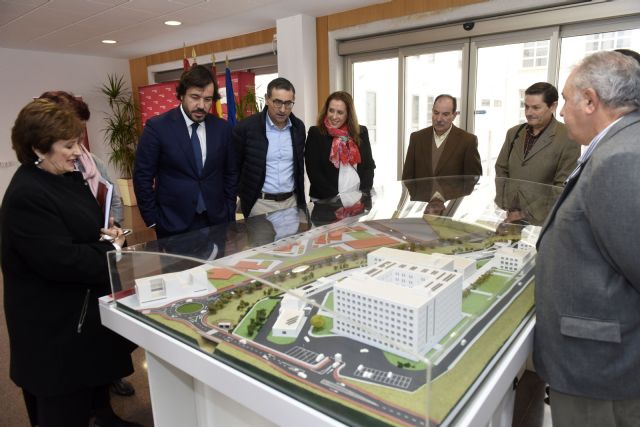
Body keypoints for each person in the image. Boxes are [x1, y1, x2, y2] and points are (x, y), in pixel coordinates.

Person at [1, 99, 140, 427]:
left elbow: (89, 229)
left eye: (77, 142)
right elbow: (62, 260)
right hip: (53, 330)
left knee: (92, 392)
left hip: (81, 317)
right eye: (68, 145)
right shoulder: (26, 195)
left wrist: (111, 233)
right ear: (38, 147)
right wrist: (111, 248)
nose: (78, 151)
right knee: (63, 410)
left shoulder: (64, 177)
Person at [534, 50, 640, 427]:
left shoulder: (621, 158)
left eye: (565, 100)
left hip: (601, 370)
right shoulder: (618, 146)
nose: (561, 112)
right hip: (597, 362)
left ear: (591, 101)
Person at [37, 91, 134, 397]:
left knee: (107, 333)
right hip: (81, 268)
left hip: (103, 254)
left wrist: (114, 231)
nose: (77, 145)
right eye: (70, 135)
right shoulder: (39, 185)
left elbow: (113, 202)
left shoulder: (95, 163)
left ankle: (110, 379)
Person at [133, 64, 237, 238]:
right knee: (179, 267)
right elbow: (142, 176)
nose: (201, 106)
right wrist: (152, 219)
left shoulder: (222, 129)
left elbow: (231, 173)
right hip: (172, 223)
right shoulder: (157, 127)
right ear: (181, 95)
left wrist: (228, 209)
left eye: (208, 99)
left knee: (216, 266)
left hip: (216, 220)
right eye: (195, 97)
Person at [233, 77, 306, 217]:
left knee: (292, 240)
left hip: (291, 203)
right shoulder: (246, 128)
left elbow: (299, 168)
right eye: (277, 102)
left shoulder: (298, 127)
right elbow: (234, 167)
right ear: (267, 99)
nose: (283, 109)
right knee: (261, 240)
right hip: (260, 204)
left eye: (288, 103)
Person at [305, 91, 376, 205]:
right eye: (331, 110)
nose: (334, 116)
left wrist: (362, 196)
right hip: (326, 202)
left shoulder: (361, 132)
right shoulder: (316, 133)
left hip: (356, 202)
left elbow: (369, 167)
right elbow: (314, 173)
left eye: (340, 112)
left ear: (348, 114)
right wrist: (337, 201)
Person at [402, 94, 482, 181]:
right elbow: (407, 179)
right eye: (436, 113)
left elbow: (473, 180)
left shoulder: (468, 141)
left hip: (453, 195)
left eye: (445, 114)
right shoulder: (416, 138)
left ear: (454, 116)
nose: (439, 119)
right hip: (421, 195)